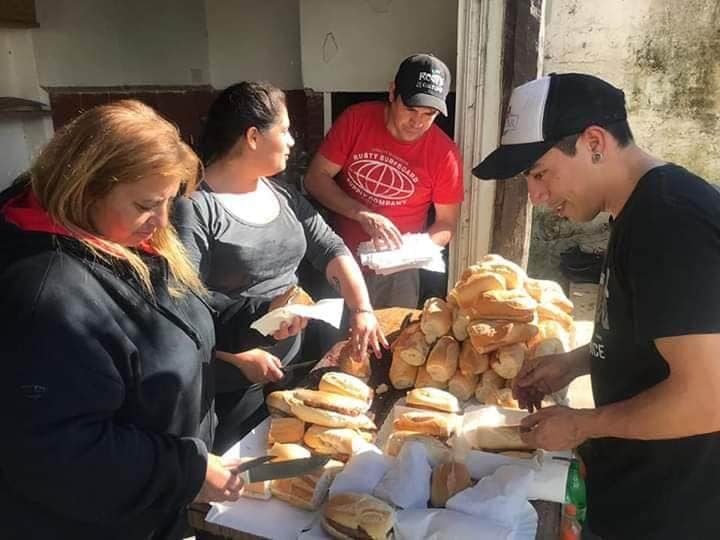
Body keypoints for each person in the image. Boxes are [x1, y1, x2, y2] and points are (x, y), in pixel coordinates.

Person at [473, 73, 720, 539]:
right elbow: (652, 332)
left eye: (541, 173)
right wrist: (575, 362)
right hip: (637, 496)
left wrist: (583, 424)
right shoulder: (640, 210)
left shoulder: (670, 222)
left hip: (675, 513)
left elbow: (708, 398)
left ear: (594, 143)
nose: (537, 196)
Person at [0, 101, 256, 539]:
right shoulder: (46, 296)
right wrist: (187, 472)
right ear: (85, 188)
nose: (160, 223)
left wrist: (254, 318)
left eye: (169, 204)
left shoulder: (116, 235)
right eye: (146, 205)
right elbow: (57, 451)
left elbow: (170, 311)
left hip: (156, 509)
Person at [174, 81, 386, 454]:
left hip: (293, 365)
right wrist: (237, 357)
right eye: (284, 131)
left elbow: (330, 247)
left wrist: (362, 309)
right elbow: (183, 306)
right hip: (235, 380)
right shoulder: (195, 206)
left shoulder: (281, 193)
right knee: (245, 485)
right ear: (253, 136)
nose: (292, 142)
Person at [304, 53, 464, 309]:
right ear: (392, 92)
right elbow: (315, 178)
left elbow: (446, 224)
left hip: (398, 272)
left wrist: (409, 252)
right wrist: (362, 214)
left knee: (393, 344)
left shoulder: (445, 153)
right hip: (339, 256)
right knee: (336, 343)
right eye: (410, 108)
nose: (417, 121)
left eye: (429, 113)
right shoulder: (357, 120)